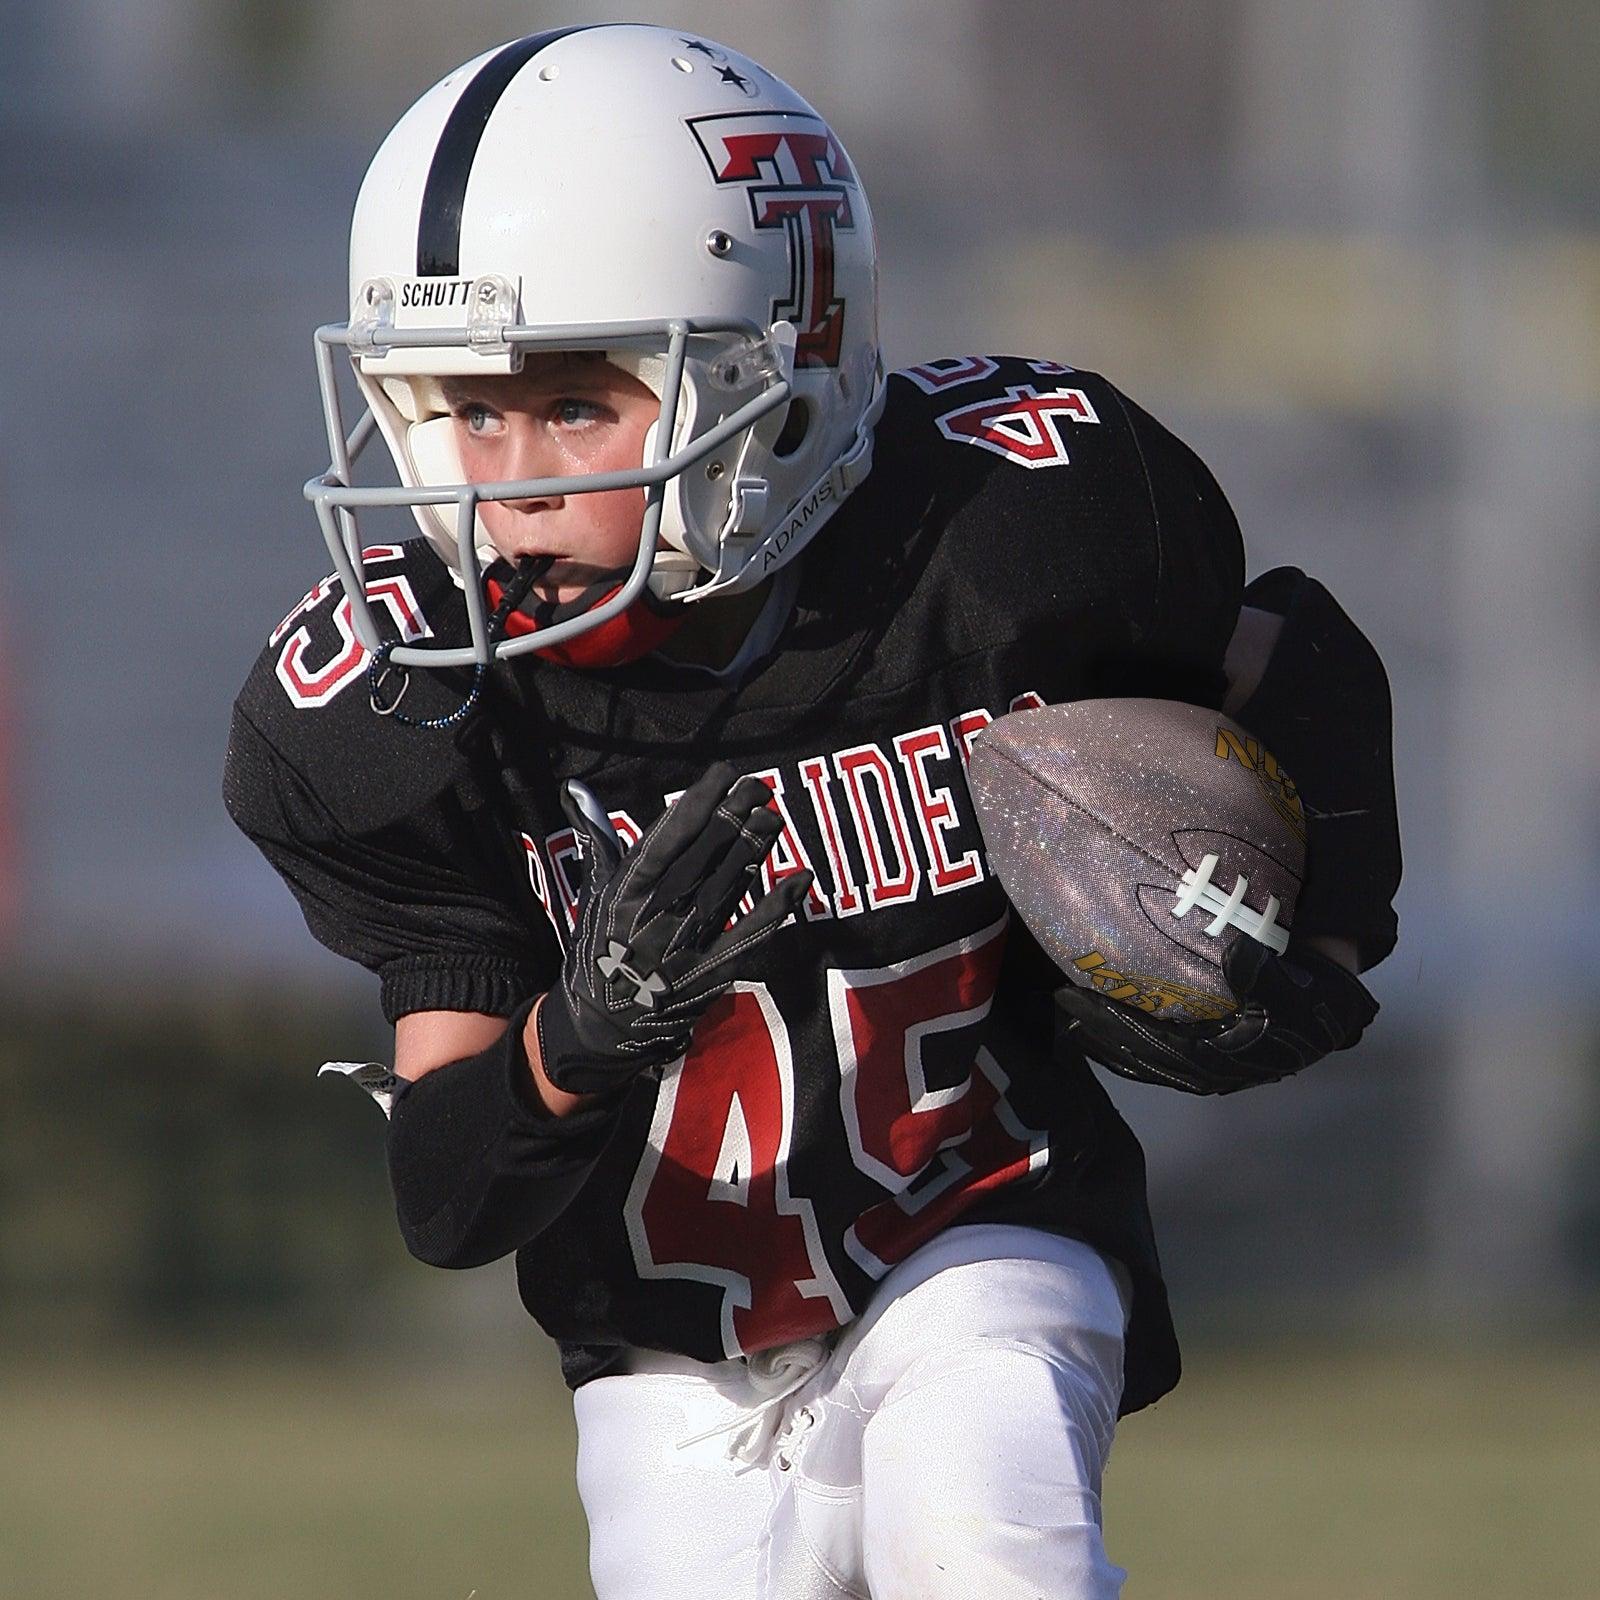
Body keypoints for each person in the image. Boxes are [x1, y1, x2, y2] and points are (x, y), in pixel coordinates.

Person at [224, 24, 1399, 1599]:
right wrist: (583, 1039)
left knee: (994, 1538)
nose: (503, 480)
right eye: (459, 408)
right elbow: (449, 1198)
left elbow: (1291, 655)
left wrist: (1320, 942)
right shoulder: (405, 713)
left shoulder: (1007, 536)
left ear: (778, 373)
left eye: (573, 404)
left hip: (981, 1222)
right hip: (666, 1359)